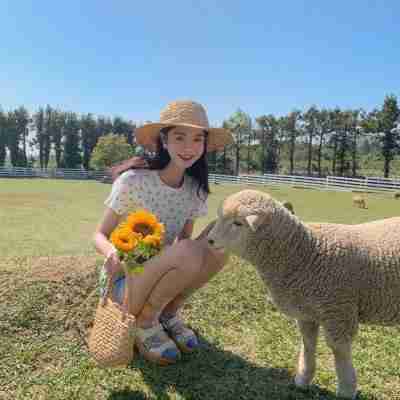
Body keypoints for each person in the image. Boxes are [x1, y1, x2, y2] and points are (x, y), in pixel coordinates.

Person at [93, 100, 233, 365]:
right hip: (125, 284)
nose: (189, 147)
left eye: (197, 139)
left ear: (204, 145)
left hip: (161, 278)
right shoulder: (133, 181)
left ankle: (167, 314)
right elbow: (98, 234)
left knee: (221, 236)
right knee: (190, 250)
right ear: (164, 141)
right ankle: (145, 323)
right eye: (179, 137)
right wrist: (111, 252)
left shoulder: (195, 189)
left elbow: (184, 244)